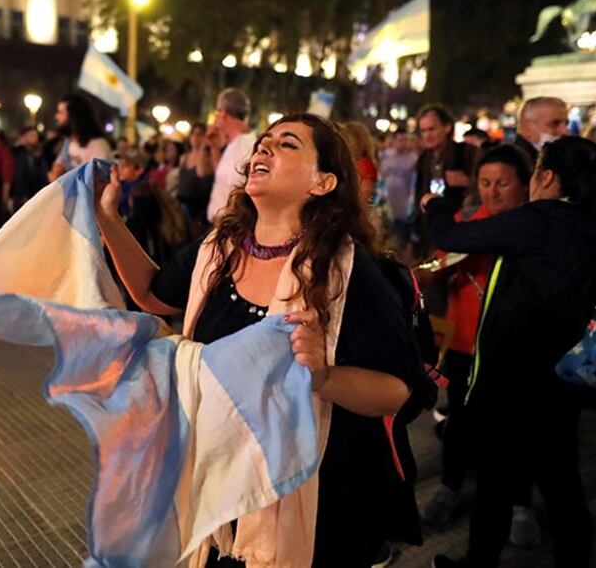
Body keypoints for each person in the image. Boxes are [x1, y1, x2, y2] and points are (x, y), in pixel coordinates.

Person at [97, 113, 432, 567]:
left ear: (323, 182)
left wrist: (325, 375)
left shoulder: (350, 272)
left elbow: (394, 390)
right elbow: (152, 295)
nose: (263, 149)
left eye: (287, 144)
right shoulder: (218, 248)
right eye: (264, 142)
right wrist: (106, 218)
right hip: (220, 489)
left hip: (316, 498)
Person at [425, 137, 596, 568]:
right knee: (562, 484)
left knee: (497, 486)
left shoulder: (539, 219)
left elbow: (449, 235)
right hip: (567, 378)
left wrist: (436, 204)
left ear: (545, 177)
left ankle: (478, 563)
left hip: (514, 381)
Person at [419, 145, 540, 546]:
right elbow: (436, 266)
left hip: (516, 347)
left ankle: (521, 504)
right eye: (485, 183)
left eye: (503, 183)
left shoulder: (535, 227)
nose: (493, 192)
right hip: (465, 343)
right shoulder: (468, 224)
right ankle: (450, 487)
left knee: (518, 427)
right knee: (460, 420)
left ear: (525, 183)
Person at [413, 105, 475, 264]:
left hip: (458, 229)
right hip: (431, 229)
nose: (427, 135)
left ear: (447, 127)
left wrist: (467, 182)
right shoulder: (424, 159)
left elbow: (484, 188)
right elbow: (419, 190)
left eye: (432, 129)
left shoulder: (466, 152)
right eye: (423, 130)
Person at [206, 89, 257, 223]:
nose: (216, 116)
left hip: (228, 225)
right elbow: (224, 178)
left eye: (217, 110)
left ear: (223, 113)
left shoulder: (245, 147)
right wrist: (215, 149)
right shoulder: (235, 142)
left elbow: (241, 190)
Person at [48, 94, 112, 180]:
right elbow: (57, 168)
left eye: (61, 112)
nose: (57, 117)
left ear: (73, 117)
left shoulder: (98, 145)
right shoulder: (69, 141)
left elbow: (97, 182)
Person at [175, 123, 215, 232]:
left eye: (200, 134)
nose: (196, 138)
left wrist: (203, 149)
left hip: (198, 206)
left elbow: (201, 173)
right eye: (193, 134)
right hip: (182, 202)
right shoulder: (184, 157)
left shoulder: (208, 157)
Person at [512, 96, 568, 166]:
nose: (565, 131)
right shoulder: (510, 167)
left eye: (566, 124)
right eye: (554, 124)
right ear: (527, 128)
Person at [10, 126, 48, 210]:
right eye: (32, 135)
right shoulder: (19, 154)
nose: (36, 138)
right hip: (23, 196)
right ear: (24, 137)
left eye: (36, 136)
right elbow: (19, 176)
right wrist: (22, 195)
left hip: (35, 195)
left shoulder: (38, 155)